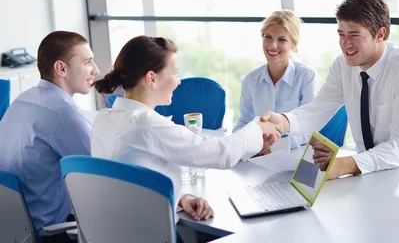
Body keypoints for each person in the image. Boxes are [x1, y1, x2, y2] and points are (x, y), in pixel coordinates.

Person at [91, 36, 282, 231]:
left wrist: (181, 198)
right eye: (174, 73)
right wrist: (258, 128)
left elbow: (129, 186)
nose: (178, 82)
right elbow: (220, 153)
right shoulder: (146, 125)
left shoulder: (104, 119)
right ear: (151, 78)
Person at [262, 0, 399, 179]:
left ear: (380, 34)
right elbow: (318, 108)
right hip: (371, 173)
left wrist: (345, 165)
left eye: (354, 35)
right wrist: (284, 122)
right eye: (341, 34)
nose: (345, 44)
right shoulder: (343, 65)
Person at [0, 31, 98, 242]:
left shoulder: (22, 100)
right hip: (51, 233)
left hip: (14, 228)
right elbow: (100, 175)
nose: (96, 71)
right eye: (88, 62)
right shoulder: (63, 113)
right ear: (61, 68)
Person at [234, 10, 321, 152]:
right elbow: (244, 122)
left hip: (294, 156)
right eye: (268, 37)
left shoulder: (307, 77)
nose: (273, 45)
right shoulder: (250, 80)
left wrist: (272, 146)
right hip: (258, 155)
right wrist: (239, 142)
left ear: (293, 43)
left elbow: (309, 128)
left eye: (282, 39)